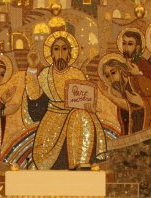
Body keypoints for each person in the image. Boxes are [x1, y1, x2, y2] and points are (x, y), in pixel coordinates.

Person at [25, 31, 107, 170]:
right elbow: (33, 94)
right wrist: (32, 68)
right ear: (51, 54)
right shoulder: (45, 74)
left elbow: (85, 96)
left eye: (64, 49)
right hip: (53, 120)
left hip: (75, 117)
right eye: (56, 49)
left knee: (81, 116)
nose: (60, 53)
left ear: (70, 53)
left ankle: (81, 165)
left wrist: (89, 106)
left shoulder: (77, 74)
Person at [98, 54, 151, 135]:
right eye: (107, 76)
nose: (111, 78)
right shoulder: (119, 93)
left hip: (147, 135)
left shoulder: (140, 81)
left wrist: (142, 102)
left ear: (121, 69)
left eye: (113, 72)